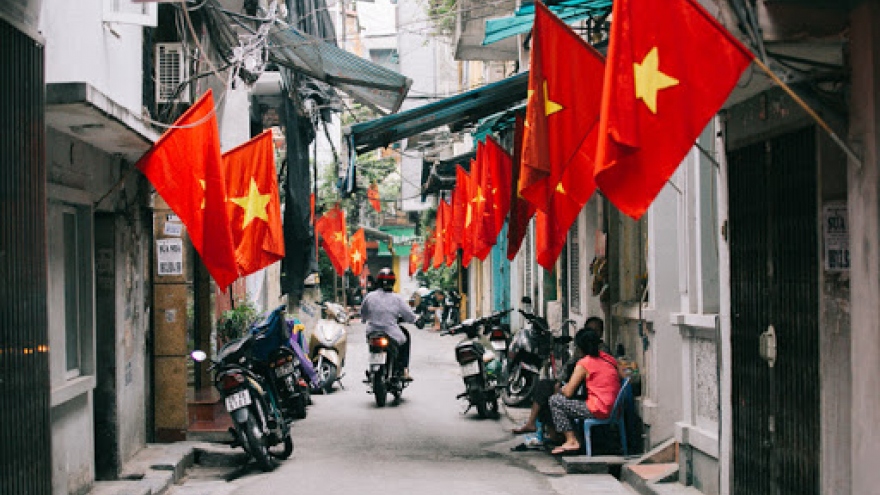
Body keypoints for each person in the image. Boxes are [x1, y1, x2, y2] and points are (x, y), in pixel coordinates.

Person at [511, 317, 608, 441]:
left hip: (586, 392)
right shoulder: (581, 350)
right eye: (589, 330)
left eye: (595, 330)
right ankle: (533, 424)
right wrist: (559, 382)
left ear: (600, 333)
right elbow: (568, 367)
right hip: (573, 385)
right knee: (544, 386)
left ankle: (567, 438)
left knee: (554, 400)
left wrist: (562, 388)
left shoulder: (600, 352)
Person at [547, 328, 621, 455]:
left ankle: (571, 440)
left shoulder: (584, 363)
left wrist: (563, 389)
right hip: (615, 407)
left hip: (599, 409)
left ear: (579, 348)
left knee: (555, 401)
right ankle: (577, 438)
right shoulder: (609, 359)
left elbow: (569, 392)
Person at [360, 268, 417, 380]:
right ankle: (403, 369)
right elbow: (409, 315)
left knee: (372, 347)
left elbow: (363, 314)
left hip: (372, 332)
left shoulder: (369, 296)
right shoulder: (397, 298)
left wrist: (364, 319)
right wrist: (416, 320)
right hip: (391, 333)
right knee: (405, 338)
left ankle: (372, 369)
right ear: (393, 282)